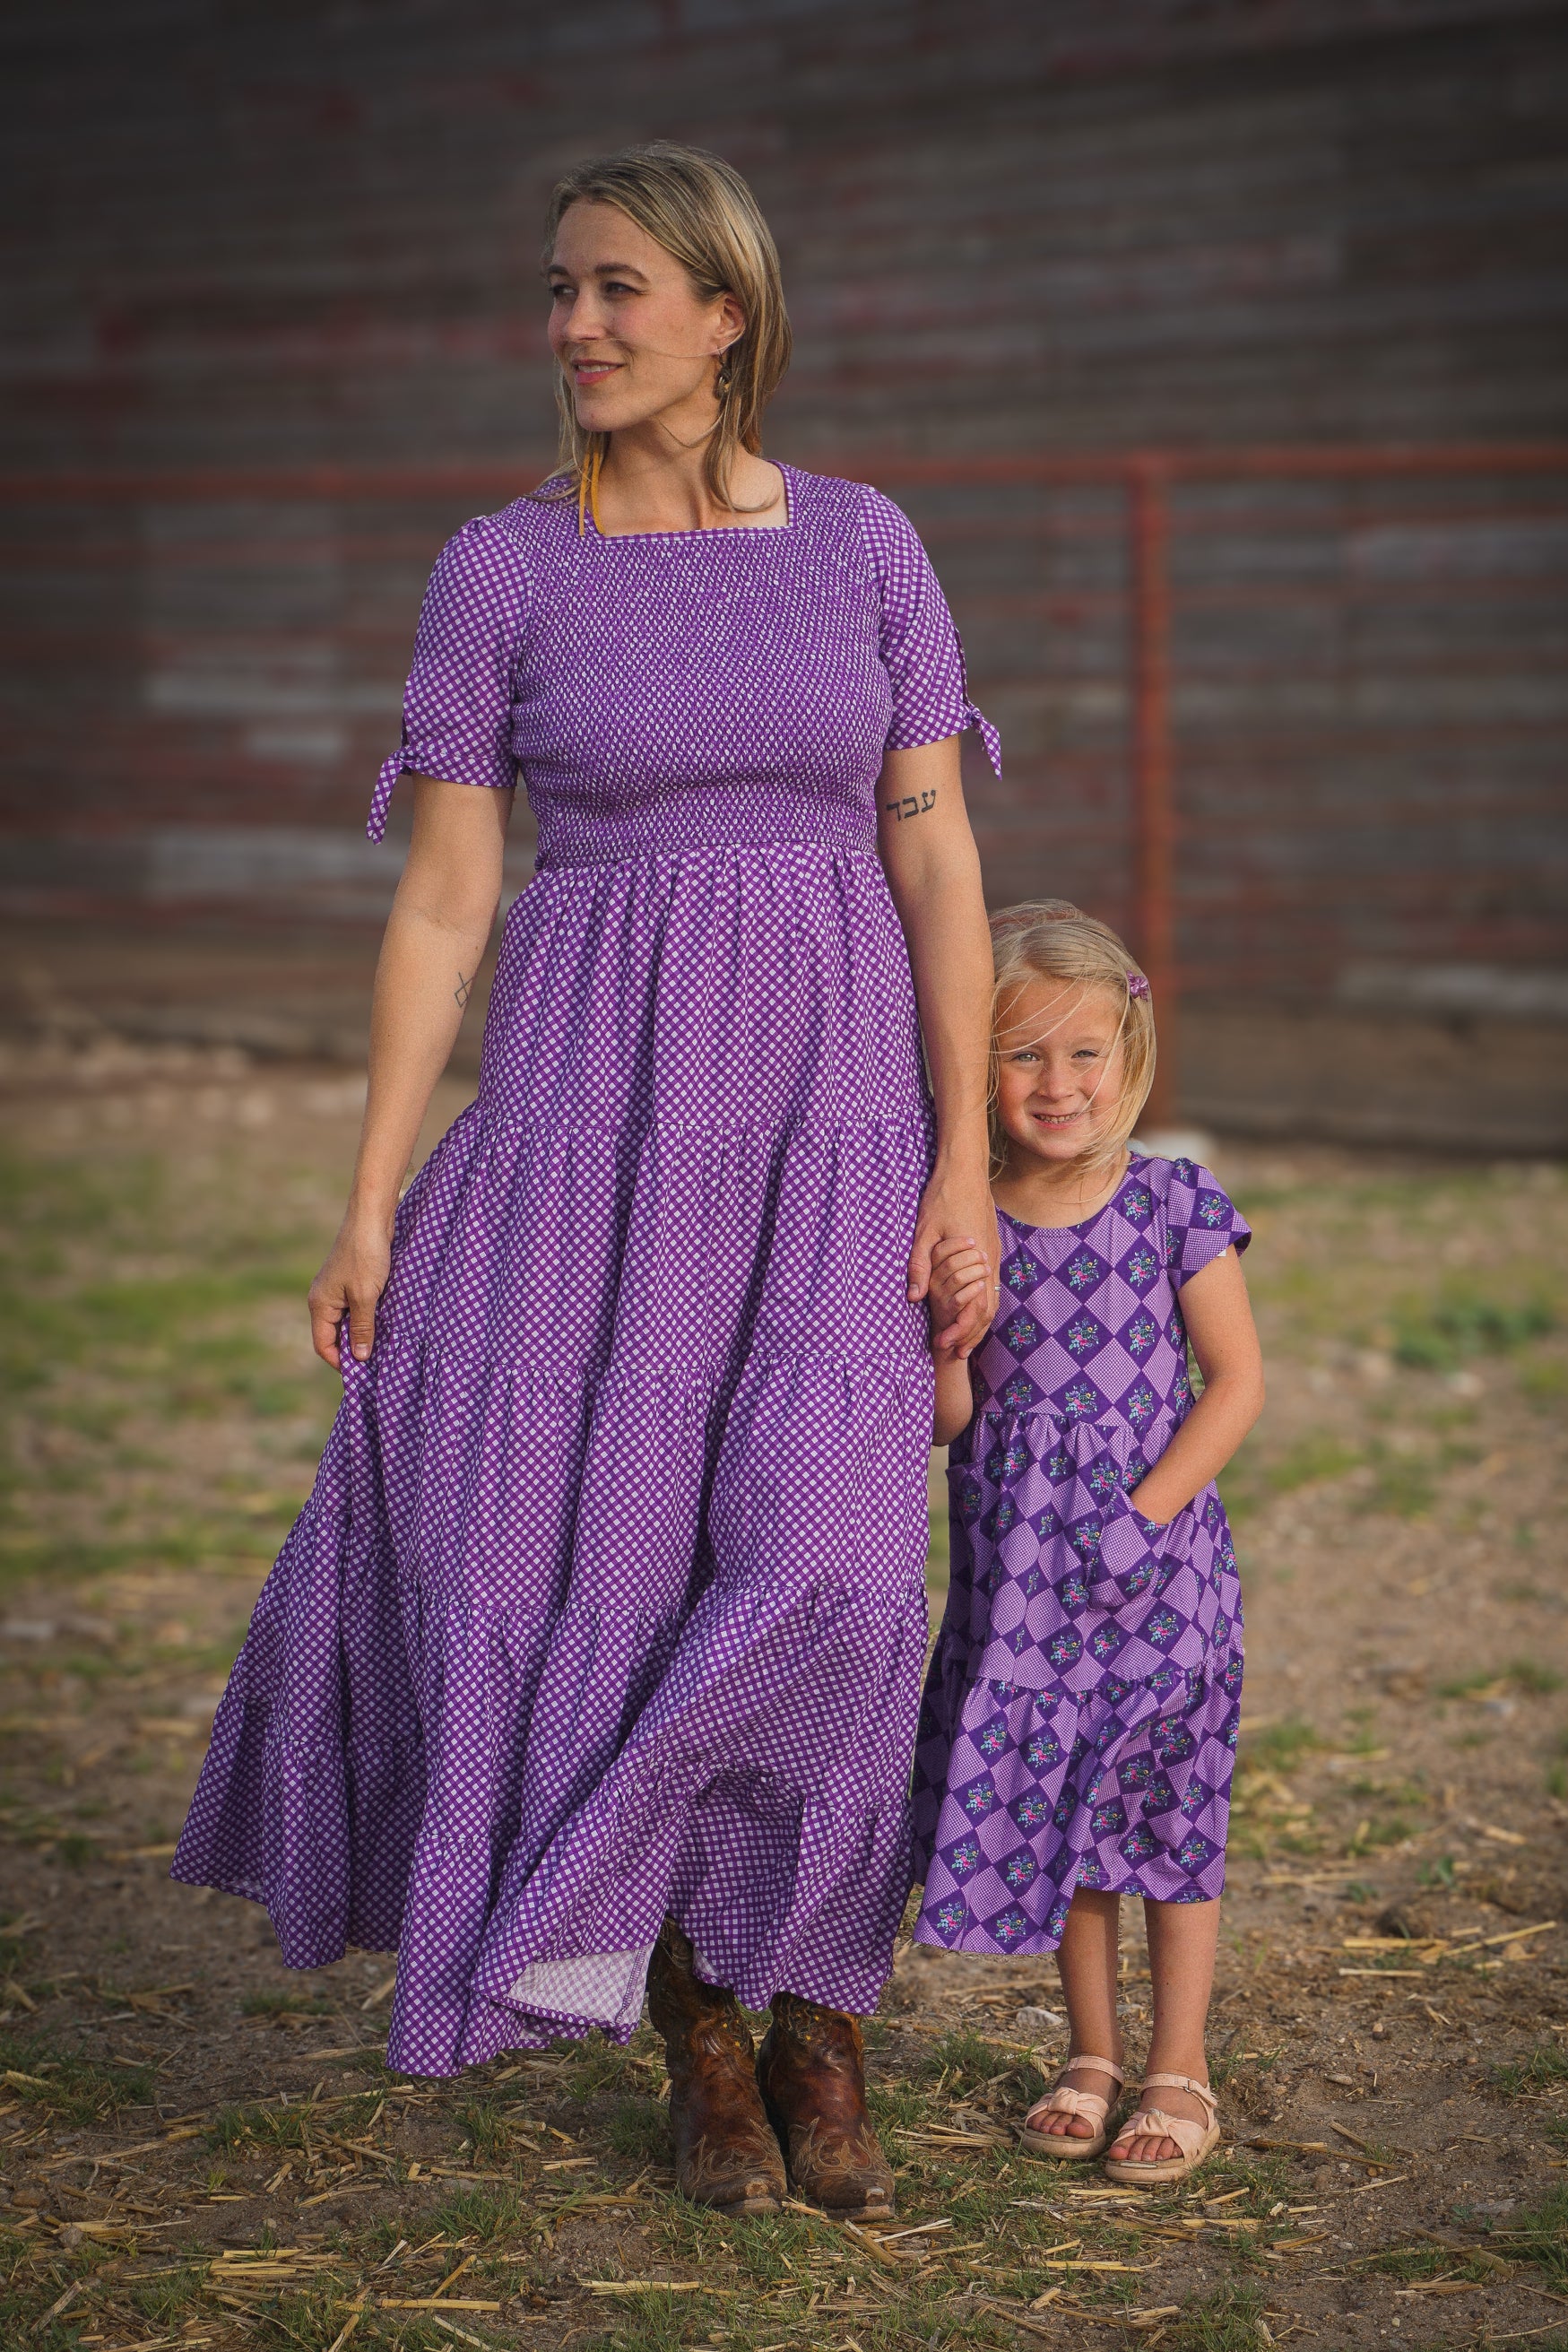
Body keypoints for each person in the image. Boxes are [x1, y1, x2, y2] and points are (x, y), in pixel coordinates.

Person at [172, 141, 1001, 2224]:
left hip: (828, 1126)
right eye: (559, 292)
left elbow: (934, 858)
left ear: (727, 316)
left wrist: (965, 1154)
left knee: (826, 1569)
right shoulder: (501, 570)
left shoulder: (872, 544)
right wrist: (367, 1191)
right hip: (587, 1127)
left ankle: (817, 1998)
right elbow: (446, 906)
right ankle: (700, 2039)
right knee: (607, 1579)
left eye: (618, 289)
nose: (576, 329)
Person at [914, 900, 1264, 2186]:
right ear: (974, 1067)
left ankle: (1180, 2067)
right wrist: (946, 1344)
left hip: (1158, 1574)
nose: (1054, 1085)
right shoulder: (967, 1217)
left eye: (1080, 1055)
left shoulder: (1171, 1200)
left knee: (1164, 1813)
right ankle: (1092, 2054)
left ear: (1129, 1061)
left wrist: (1141, 1518)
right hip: (1020, 1585)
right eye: (1021, 1056)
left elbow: (1232, 1384)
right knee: (1067, 1814)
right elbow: (954, 1419)